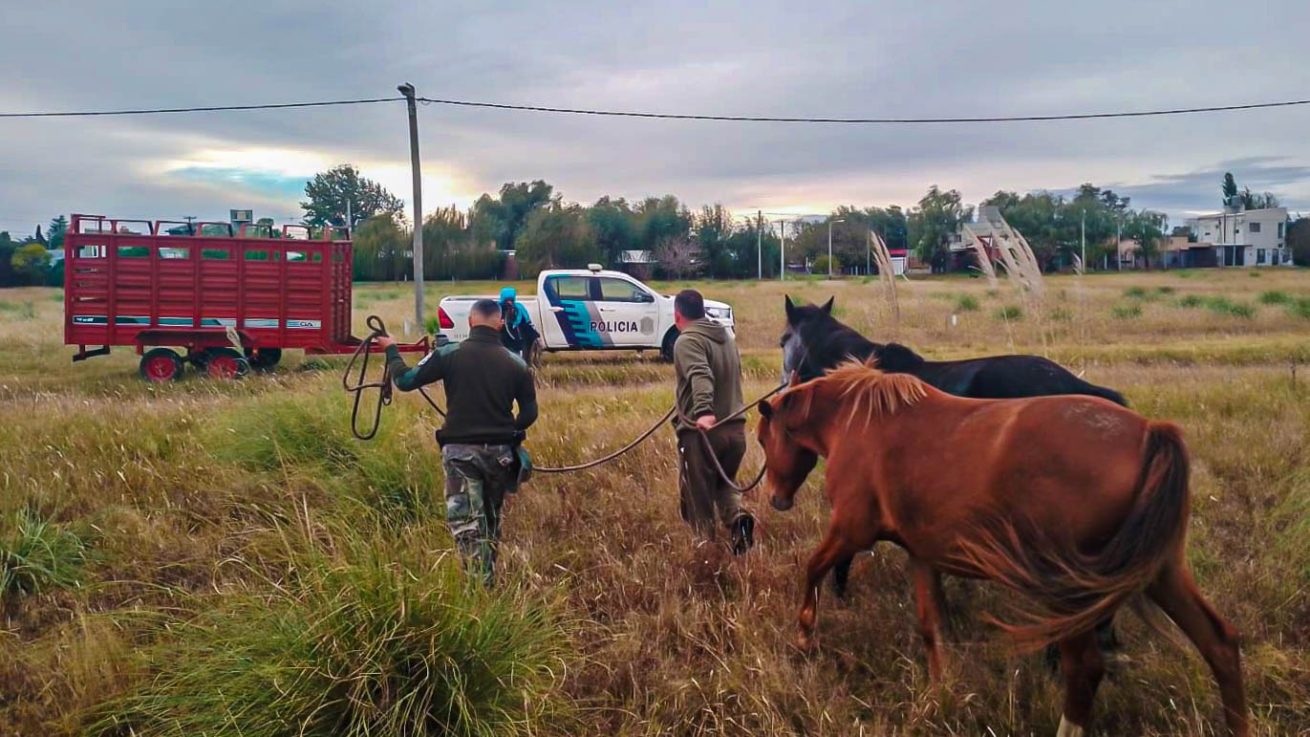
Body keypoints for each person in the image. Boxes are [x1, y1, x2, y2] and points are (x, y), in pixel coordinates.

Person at [377, 298, 538, 585]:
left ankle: (480, 594)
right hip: (501, 455)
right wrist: (509, 431)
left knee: (467, 527)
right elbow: (529, 413)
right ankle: (488, 582)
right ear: (500, 324)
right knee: (490, 522)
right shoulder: (516, 363)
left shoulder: (449, 353)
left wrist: (391, 349)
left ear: (470, 322)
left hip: (460, 454)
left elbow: (404, 380)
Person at [671, 289, 754, 554]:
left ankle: (705, 551)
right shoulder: (726, 337)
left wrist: (703, 411)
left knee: (697, 497)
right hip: (736, 432)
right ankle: (738, 521)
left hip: (704, 435)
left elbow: (700, 374)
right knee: (724, 484)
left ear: (678, 315)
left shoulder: (687, 341)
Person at [498, 286, 540, 364]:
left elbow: (526, 324)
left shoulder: (519, 309)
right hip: (502, 341)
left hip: (517, 342)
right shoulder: (497, 309)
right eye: (507, 300)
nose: (509, 303)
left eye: (511, 300)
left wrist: (535, 336)